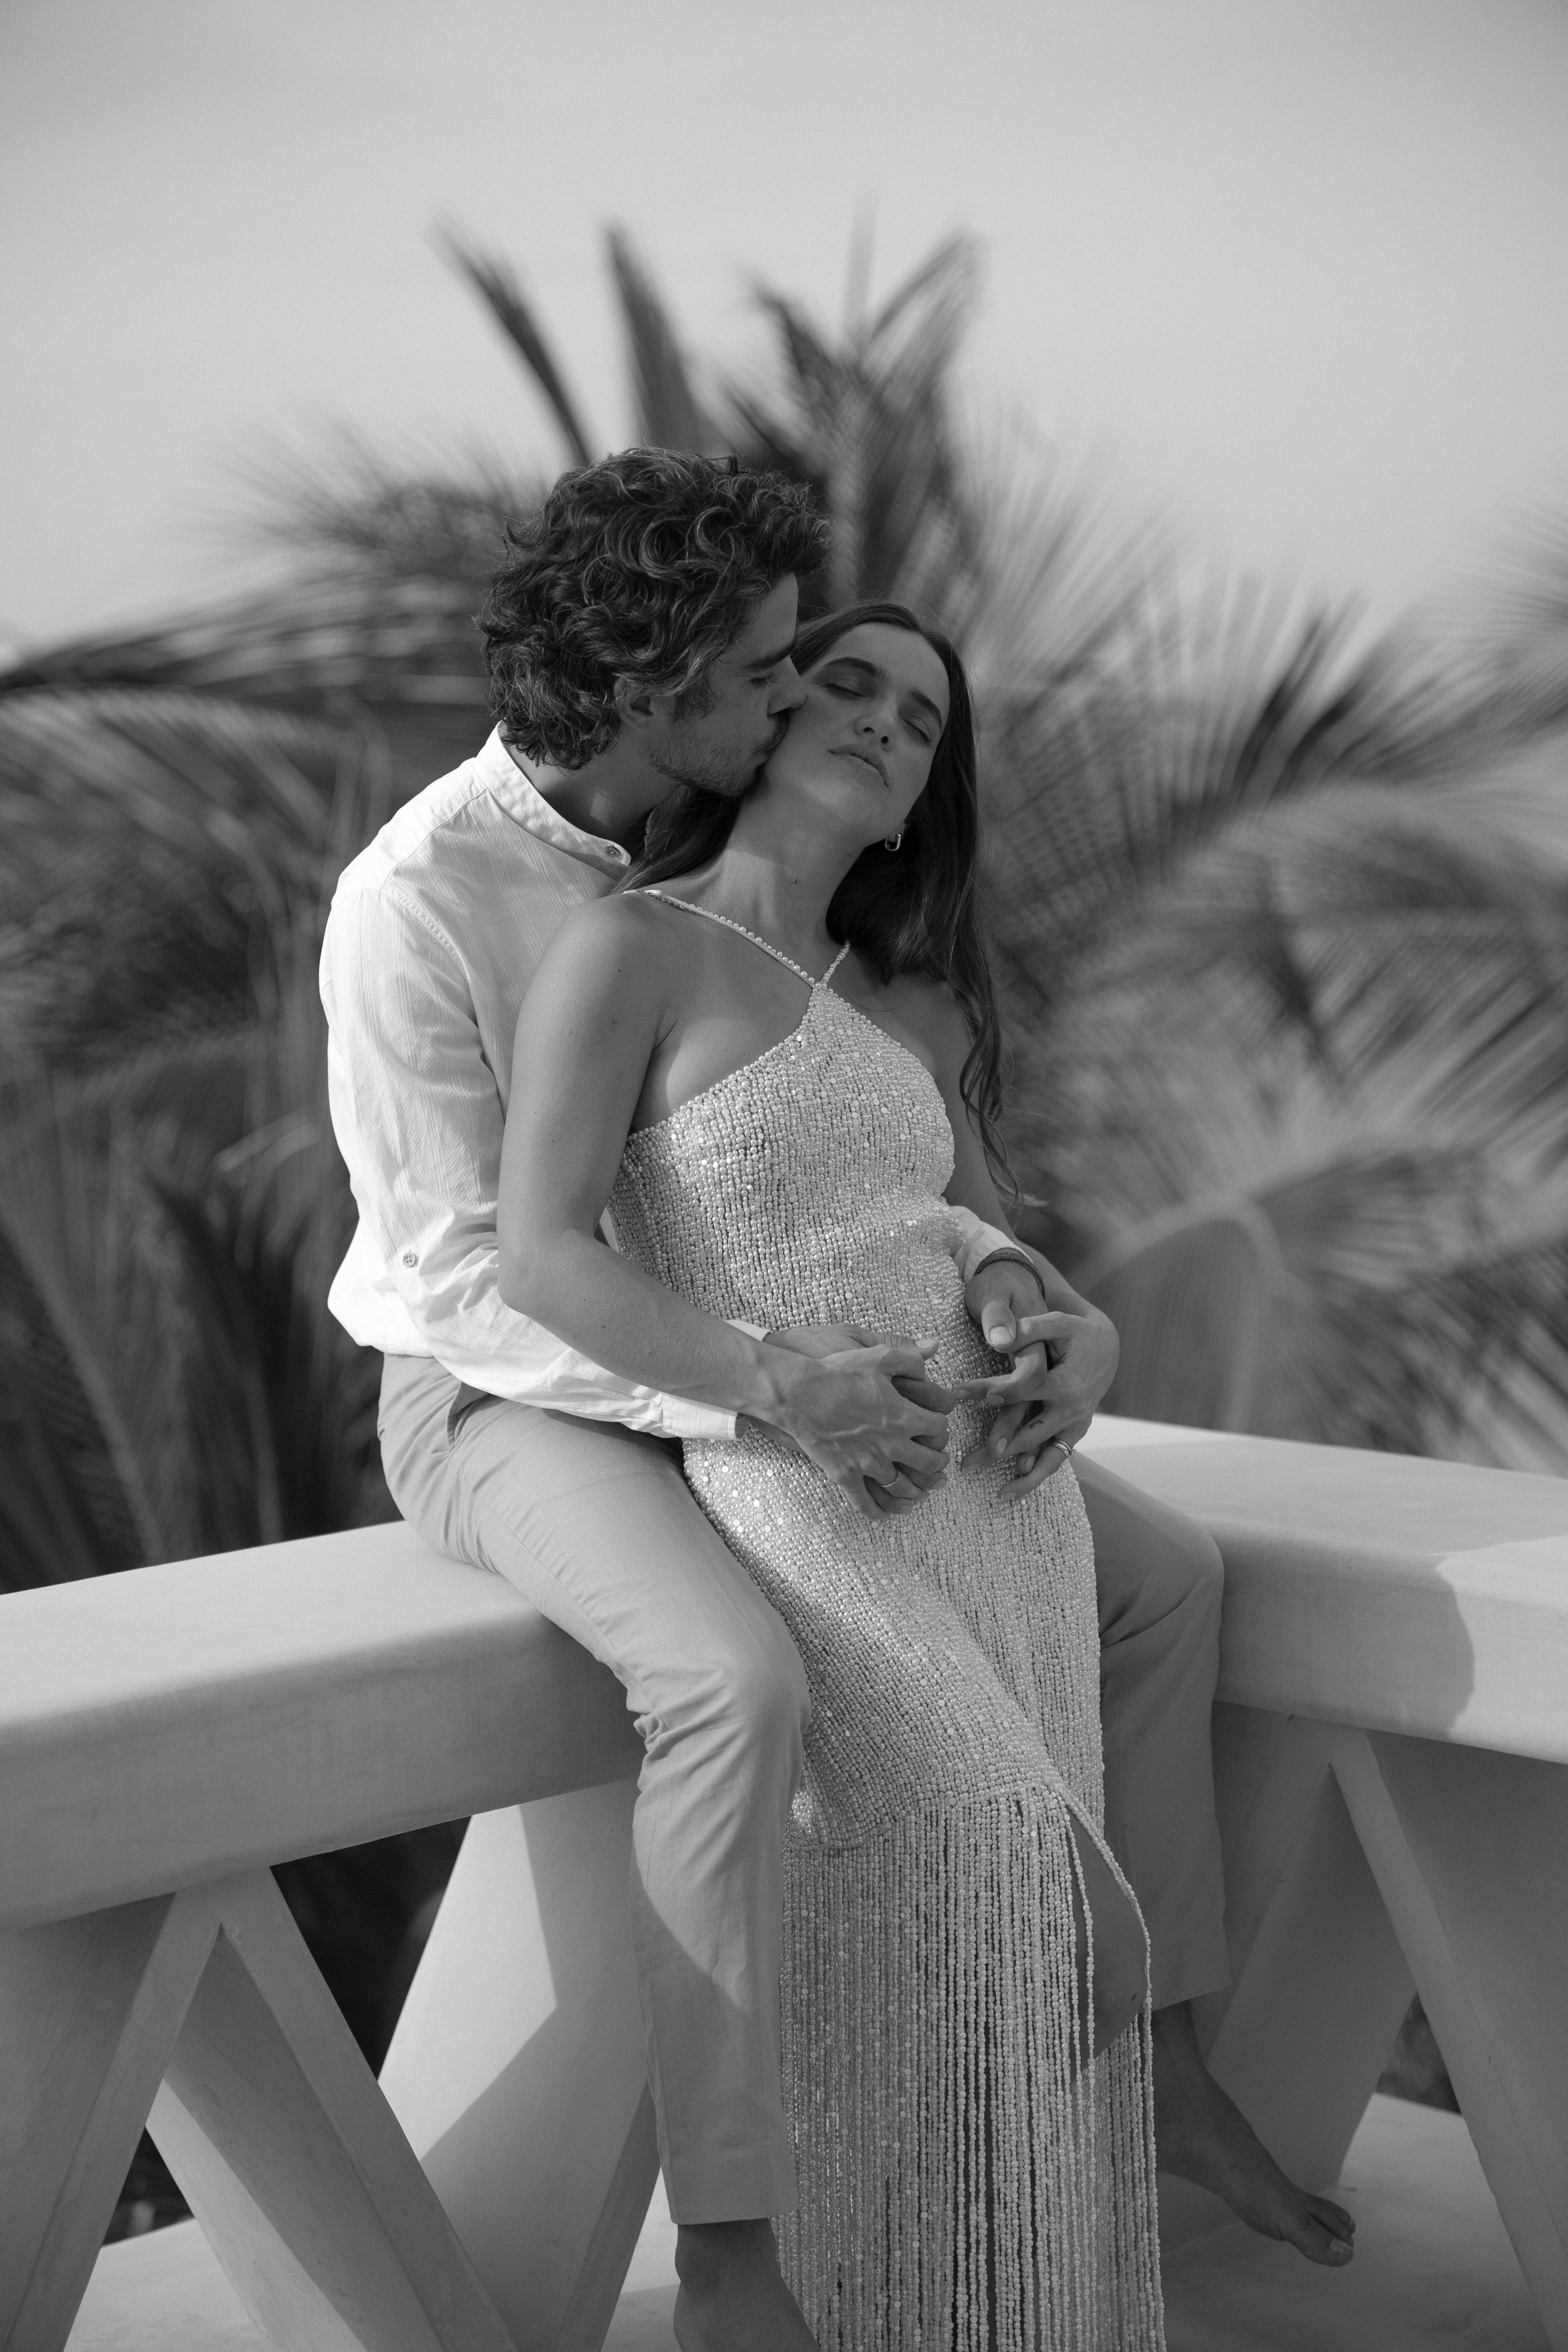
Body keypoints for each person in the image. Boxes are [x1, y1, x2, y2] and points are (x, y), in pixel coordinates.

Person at [320, 452, 1352, 2352]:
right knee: (731, 1683)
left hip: (772, 1372)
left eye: (847, 684)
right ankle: (729, 2248)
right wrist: (762, 1400)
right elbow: (483, 1271)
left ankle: (1161, 2061)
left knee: (1161, 1579)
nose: (811, 696)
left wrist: (1035, 1318)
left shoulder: (786, 909)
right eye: (784, 670)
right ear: (663, 694)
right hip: (515, 1399)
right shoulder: (425, 900)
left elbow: (891, 1185)